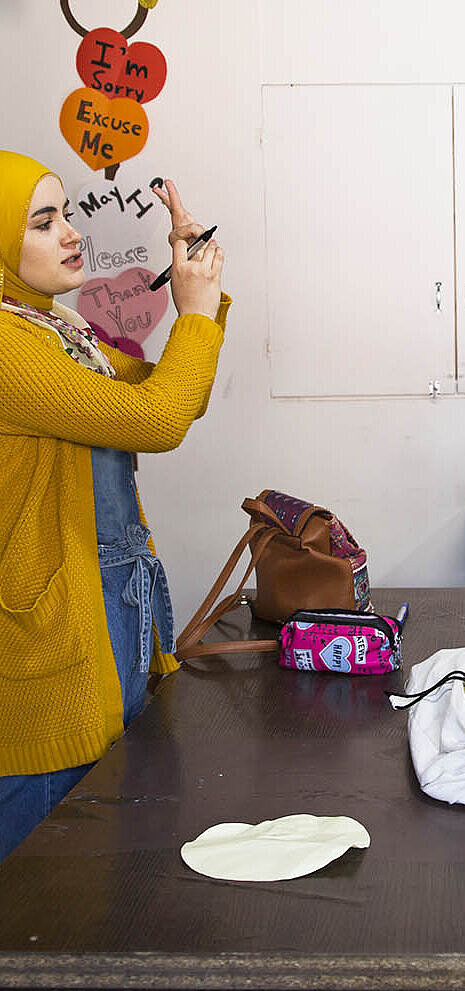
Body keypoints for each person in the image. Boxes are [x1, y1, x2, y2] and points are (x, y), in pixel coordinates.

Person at [0, 150, 228, 861]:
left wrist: (201, 293)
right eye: (44, 222)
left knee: (102, 870)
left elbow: (173, 395)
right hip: (51, 636)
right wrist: (191, 311)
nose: (71, 234)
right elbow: (157, 421)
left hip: (107, 611)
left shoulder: (54, 329)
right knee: (45, 890)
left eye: (67, 214)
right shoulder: (9, 348)